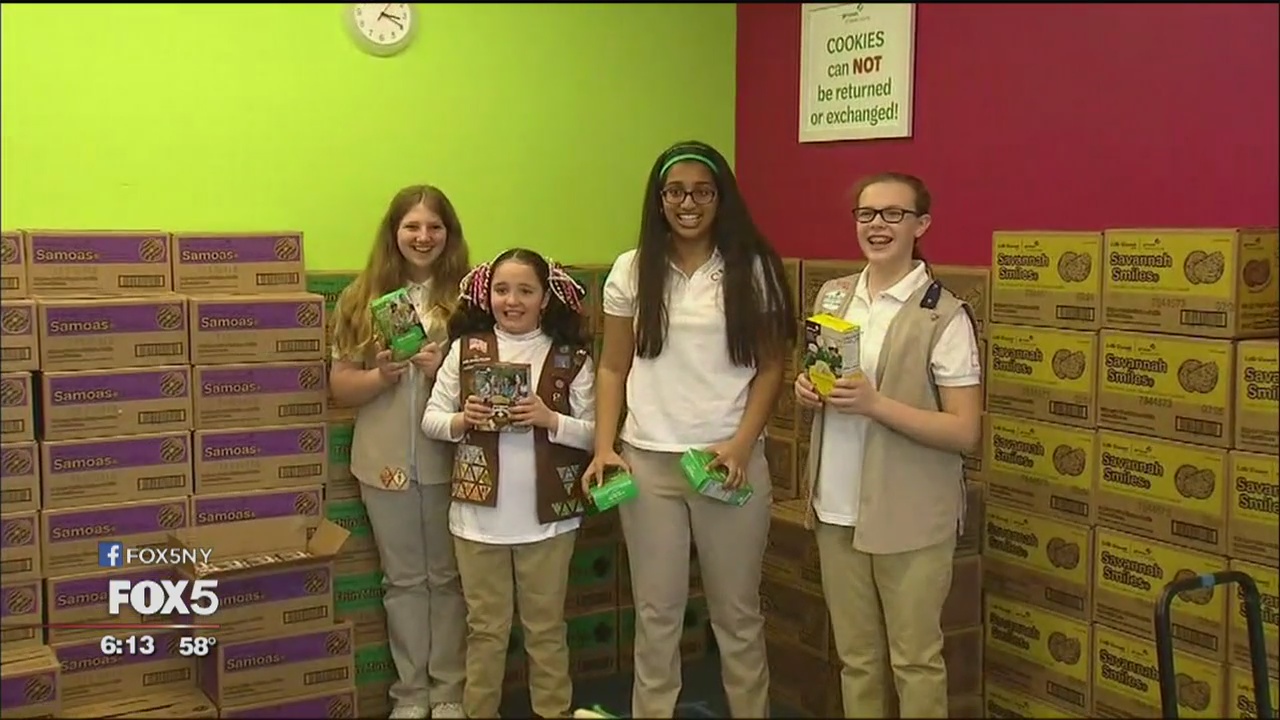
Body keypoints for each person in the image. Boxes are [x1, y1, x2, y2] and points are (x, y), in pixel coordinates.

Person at [583, 140, 798, 718]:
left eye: (702, 191)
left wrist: (742, 443)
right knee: (657, 612)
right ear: (659, 201)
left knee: (736, 612)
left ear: (720, 198)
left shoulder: (753, 268)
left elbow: (772, 366)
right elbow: (612, 364)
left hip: (727, 461)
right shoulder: (632, 270)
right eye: (675, 191)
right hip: (648, 464)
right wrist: (605, 444)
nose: (688, 202)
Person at [792, 172, 983, 719]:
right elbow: (824, 381)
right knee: (856, 659)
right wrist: (809, 390)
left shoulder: (944, 315)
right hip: (836, 507)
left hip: (911, 516)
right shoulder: (834, 296)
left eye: (893, 214)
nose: (877, 225)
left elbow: (964, 431)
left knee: (915, 661)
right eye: (866, 214)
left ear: (921, 224)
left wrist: (876, 405)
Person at [421, 248, 596, 719]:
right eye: (502, 290)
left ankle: (552, 712)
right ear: (487, 294)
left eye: (525, 291)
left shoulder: (569, 357)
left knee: (545, 628)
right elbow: (431, 421)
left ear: (545, 298)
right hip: (478, 521)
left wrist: (550, 418)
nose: (512, 301)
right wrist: (463, 418)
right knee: (486, 630)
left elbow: (598, 433)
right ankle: (480, 711)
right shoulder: (466, 351)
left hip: (549, 522)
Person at [328, 185, 471, 720]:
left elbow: (490, 389)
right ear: (394, 233)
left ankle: (450, 693)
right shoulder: (360, 298)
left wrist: (445, 374)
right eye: (412, 226)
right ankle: (411, 695)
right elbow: (341, 385)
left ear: (449, 235)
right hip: (382, 459)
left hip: (450, 462)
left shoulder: (470, 300)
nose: (423, 237)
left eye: (434, 227)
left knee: (449, 579)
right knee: (404, 581)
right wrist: (380, 376)